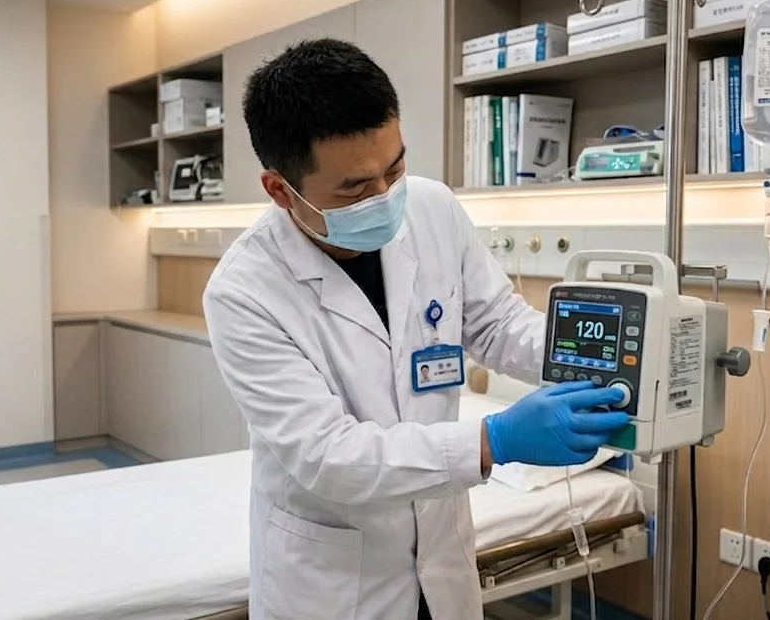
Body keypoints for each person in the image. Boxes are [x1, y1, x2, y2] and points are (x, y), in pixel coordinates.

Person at [203, 39, 630, 620]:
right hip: (335, 585)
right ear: (281, 189)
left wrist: (604, 356)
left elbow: (498, 324)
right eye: (354, 187)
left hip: (442, 560)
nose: (385, 196)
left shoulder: (432, 209)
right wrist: (493, 441)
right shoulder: (244, 291)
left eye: (396, 167)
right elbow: (330, 456)